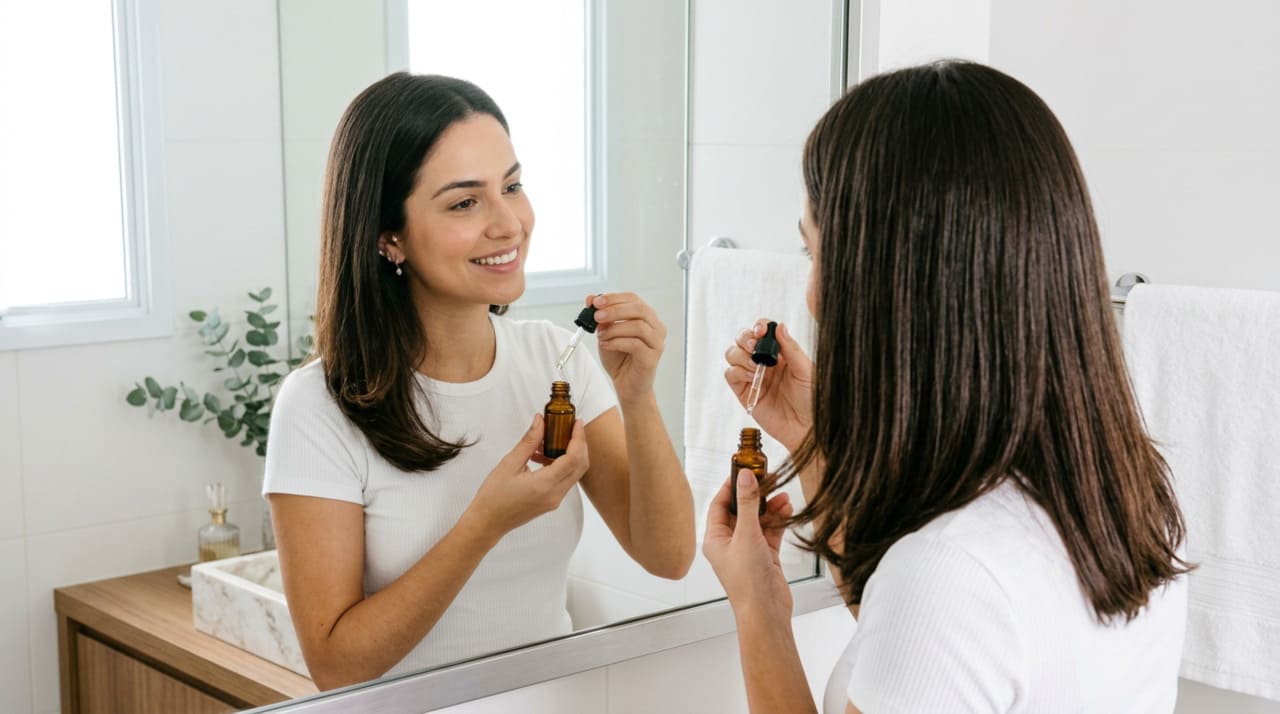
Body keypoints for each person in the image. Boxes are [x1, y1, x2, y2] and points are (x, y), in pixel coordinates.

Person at [704, 60, 1191, 713]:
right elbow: (929, 652)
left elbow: (936, 612)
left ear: (889, 285)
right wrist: (813, 441)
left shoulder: (948, 572)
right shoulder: (1129, 496)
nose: (812, 294)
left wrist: (758, 608)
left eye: (816, 254)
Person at [263, 73, 695, 690]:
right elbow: (336, 666)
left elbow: (669, 556)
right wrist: (483, 525)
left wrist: (638, 396)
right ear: (389, 236)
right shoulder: (318, 406)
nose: (509, 224)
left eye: (512, 186)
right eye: (465, 203)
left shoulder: (556, 361)